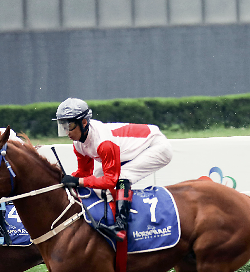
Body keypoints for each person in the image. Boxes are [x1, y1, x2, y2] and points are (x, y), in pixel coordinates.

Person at [54, 98, 174, 242]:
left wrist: (77, 181)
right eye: (63, 126)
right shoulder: (78, 143)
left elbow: (111, 181)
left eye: (70, 125)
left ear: (84, 122)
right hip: (134, 150)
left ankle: (121, 227)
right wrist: (64, 179)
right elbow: (85, 173)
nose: (67, 131)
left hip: (157, 147)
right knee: (98, 175)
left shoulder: (104, 143)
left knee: (122, 178)